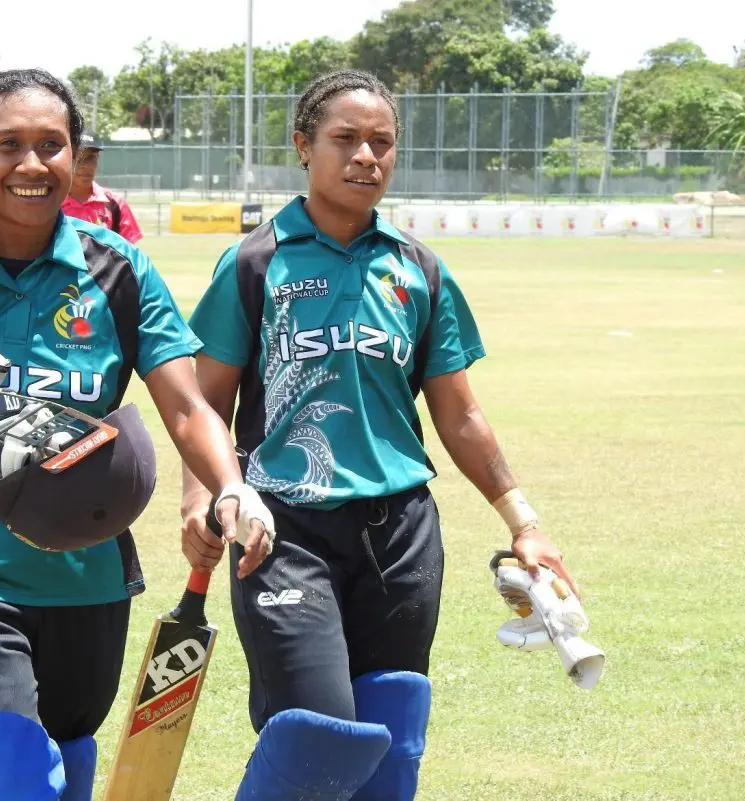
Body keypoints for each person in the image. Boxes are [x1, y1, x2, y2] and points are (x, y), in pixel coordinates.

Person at [0, 68, 274, 801]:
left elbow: (188, 406)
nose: (32, 164)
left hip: (85, 574)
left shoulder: (120, 270)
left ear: (76, 158)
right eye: (10, 144)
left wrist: (232, 486)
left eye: (52, 144)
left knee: (65, 754)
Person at [180, 69, 582, 801]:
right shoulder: (255, 262)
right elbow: (202, 403)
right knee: (316, 736)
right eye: (346, 139)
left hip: (401, 533)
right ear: (304, 146)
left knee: (393, 750)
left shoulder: (418, 268)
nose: (367, 156)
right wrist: (201, 499)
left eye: (382, 143)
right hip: (283, 528)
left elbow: (458, 415)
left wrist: (524, 522)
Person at [60, 131, 144, 243]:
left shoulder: (114, 203)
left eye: (91, 158)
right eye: (79, 158)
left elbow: (128, 253)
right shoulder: (53, 202)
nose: (86, 166)